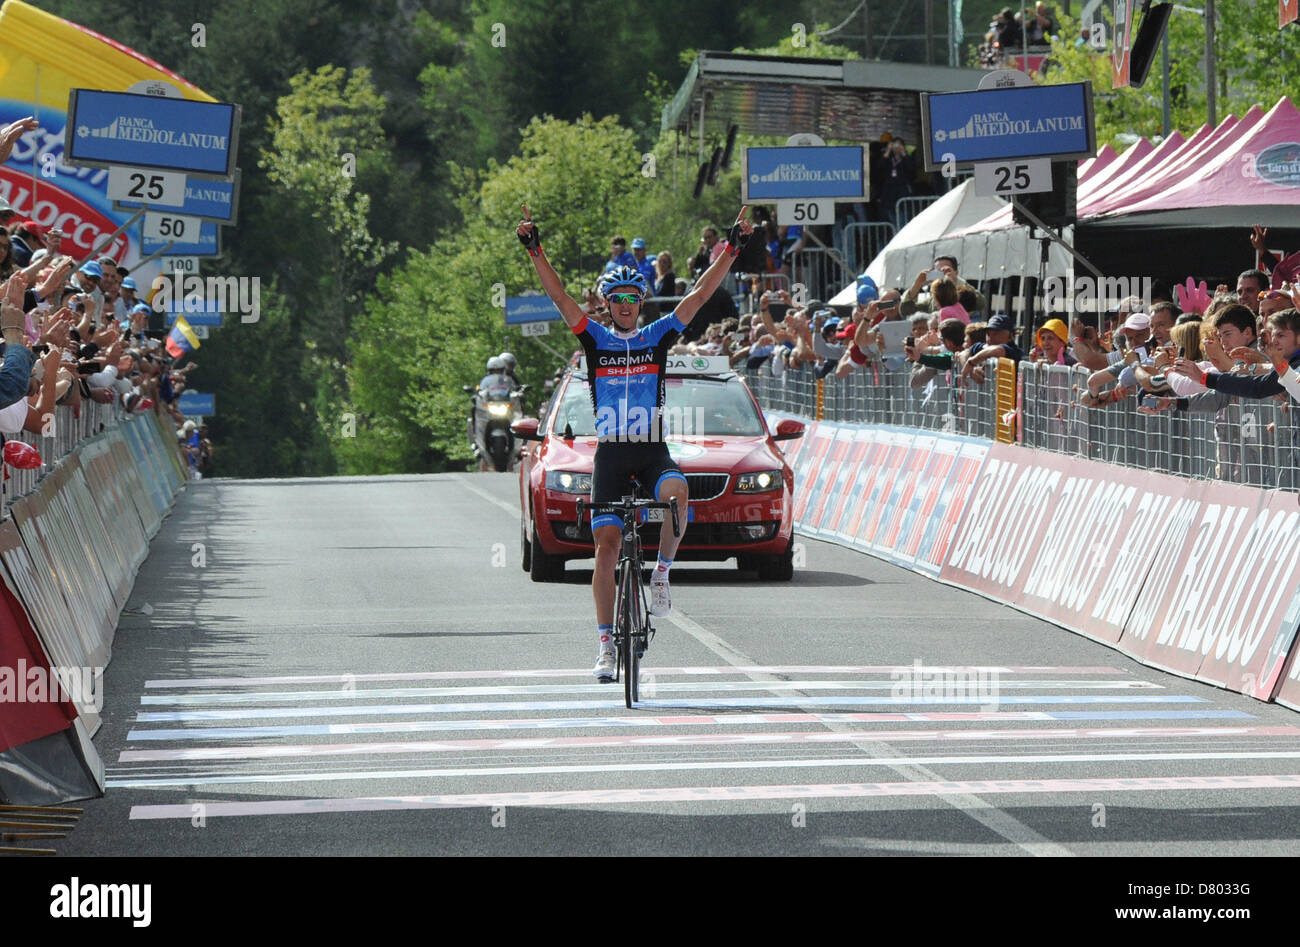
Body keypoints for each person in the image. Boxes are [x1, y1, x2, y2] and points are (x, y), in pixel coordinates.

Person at [517, 203, 754, 681]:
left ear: (641, 303)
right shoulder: (596, 340)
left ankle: (662, 575)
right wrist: (534, 249)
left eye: (632, 298)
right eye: (617, 299)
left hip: (650, 449)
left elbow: (701, 291)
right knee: (605, 545)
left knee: (678, 496)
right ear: (607, 304)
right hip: (611, 451)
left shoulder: (658, 336)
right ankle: (606, 644)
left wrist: (731, 248)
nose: (625, 305)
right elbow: (560, 296)